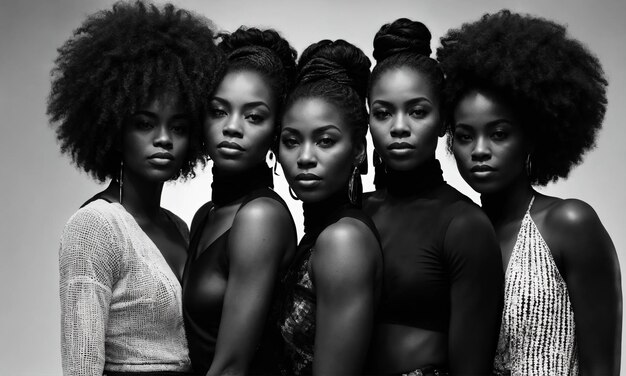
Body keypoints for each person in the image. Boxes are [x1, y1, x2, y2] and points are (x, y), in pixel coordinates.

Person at [437, 9, 622, 375]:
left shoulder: (569, 223)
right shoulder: (458, 234)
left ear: (531, 137)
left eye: (499, 133)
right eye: (464, 136)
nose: (479, 150)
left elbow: (602, 368)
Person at [49, 1, 225, 375]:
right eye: (146, 123)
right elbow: (81, 366)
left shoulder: (179, 227)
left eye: (178, 127)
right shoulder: (95, 228)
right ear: (115, 128)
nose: (164, 139)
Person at [363, 18, 504, 375]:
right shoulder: (355, 213)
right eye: (383, 113)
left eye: (417, 111)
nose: (398, 127)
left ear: (443, 122)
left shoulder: (465, 225)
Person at [181, 26, 298, 376]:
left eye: (254, 116)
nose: (232, 127)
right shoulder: (206, 215)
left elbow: (232, 366)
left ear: (276, 129)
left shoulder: (260, 216)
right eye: (219, 111)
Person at [277, 39, 383, 375]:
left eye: (325, 140)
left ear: (358, 151)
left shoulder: (344, 240)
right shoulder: (320, 235)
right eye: (291, 140)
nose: (305, 158)